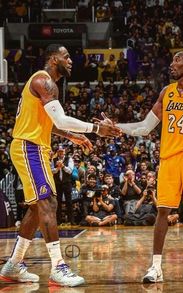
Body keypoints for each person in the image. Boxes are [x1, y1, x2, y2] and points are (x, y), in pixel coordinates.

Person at [0, 44, 121, 287]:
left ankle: (13, 264)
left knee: (37, 208)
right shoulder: (44, 82)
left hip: (35, 147)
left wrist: (70, 136)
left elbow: (51, 122)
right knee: (49, 202)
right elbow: (60, 118)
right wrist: (97, 129)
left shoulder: (47, 86)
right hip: (29, 147)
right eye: (66, 56)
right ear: (53, 58)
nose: (71, 61)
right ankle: (58, 267)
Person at [100, 51, 183, 283]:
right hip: (169, 160)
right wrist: (117, 126)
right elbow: (145, 127)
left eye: (177, 60)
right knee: (163, 212)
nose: (171, 64)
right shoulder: (166, 93)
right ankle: (156, 267)